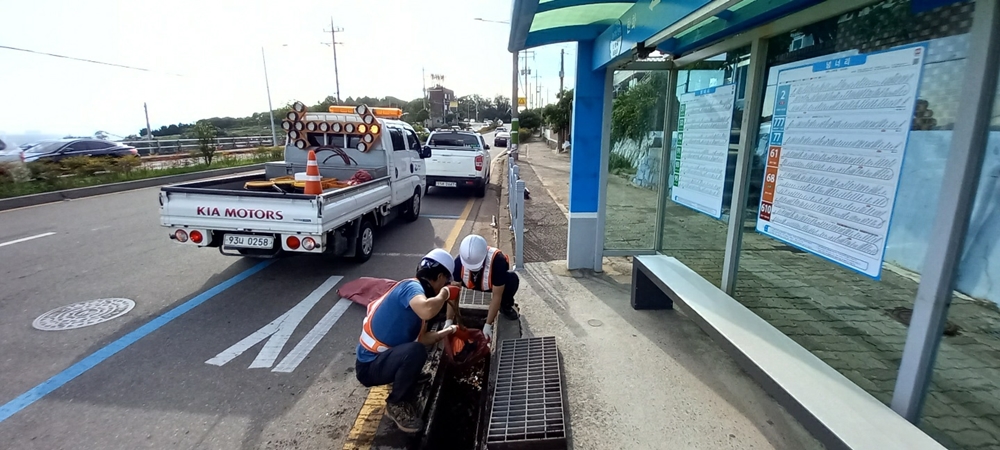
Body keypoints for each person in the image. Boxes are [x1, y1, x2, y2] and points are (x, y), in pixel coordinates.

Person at [355, 248, 459, 434]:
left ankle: (406, 377)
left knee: (418, 349)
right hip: (369, 367)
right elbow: (427, 310)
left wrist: (448, 331)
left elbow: (423, 338)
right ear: (440, 277)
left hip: (382, 359)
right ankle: (396, 403)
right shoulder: (411, 288)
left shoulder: (417, 295)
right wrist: (444, 294)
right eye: (445, 282)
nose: (445, 285)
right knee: (415, 352)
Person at [449, 235, 520, 341]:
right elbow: (453, 294)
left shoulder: (498, 261)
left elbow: (497, 295)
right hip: (470, 282)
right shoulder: (459, 262)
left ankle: (505, 306)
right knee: (446, 284)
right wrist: (449, 320)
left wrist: (487, 325)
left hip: (491, 284)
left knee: (512, 279)